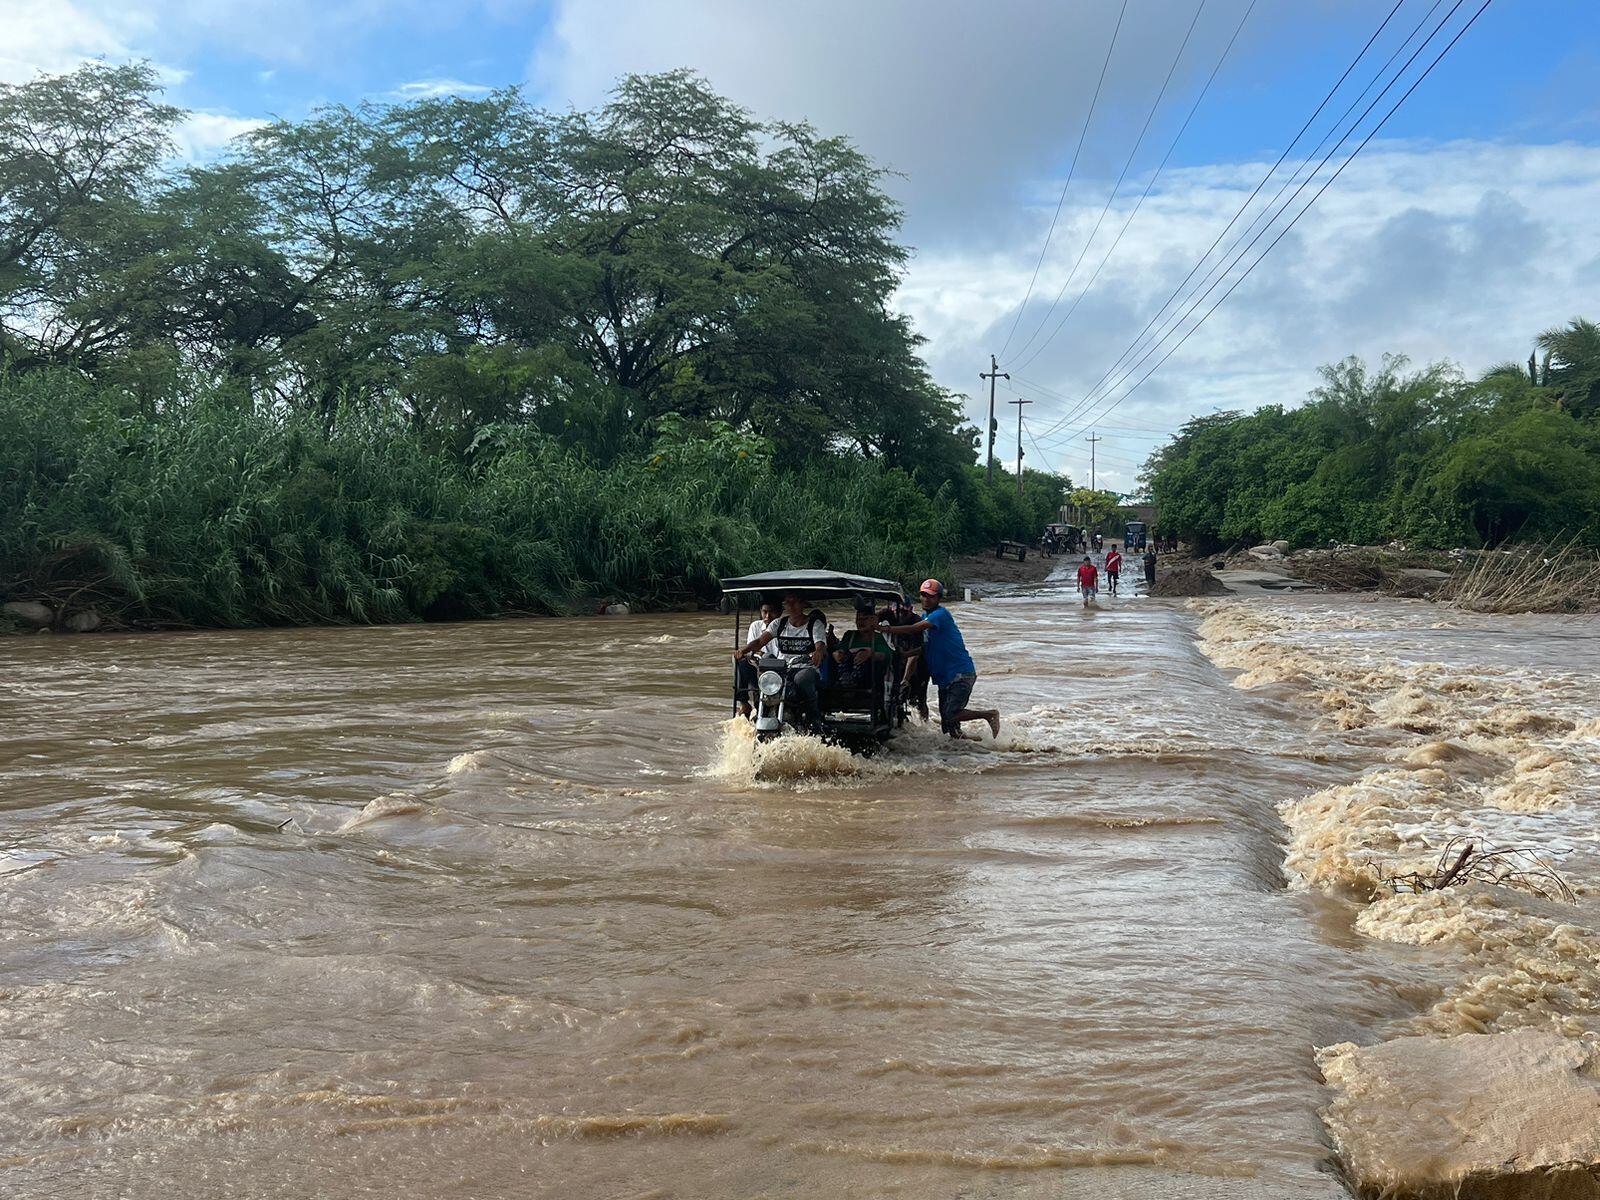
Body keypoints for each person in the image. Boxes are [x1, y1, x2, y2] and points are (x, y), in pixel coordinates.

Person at [875, 579, 999, 740]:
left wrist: (885, 629)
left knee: (950, 714)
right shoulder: (927, 615)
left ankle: (989, 714)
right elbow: (925, 648)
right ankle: (972, 749)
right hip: (944, 677)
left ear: (939, 598)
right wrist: (905, 654)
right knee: (948, 728)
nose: (926, 599)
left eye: (931, 596)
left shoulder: (940, 615)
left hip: (959, 673)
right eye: (923, 595)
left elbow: (914, 628)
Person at [734, 593, 827, 732]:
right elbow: (760, 641)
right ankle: (760, 713)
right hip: (783, 669)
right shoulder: (779, 624)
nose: (791, 606)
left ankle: (814, 718)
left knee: (802, 679)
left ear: (803, 604)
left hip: (805, 668)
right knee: (764, 676)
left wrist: (818, 652)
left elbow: (820, 644)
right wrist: (743, 650)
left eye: (794, 602)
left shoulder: (814, 624)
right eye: (787, 603)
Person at [880, 594, 930, 721]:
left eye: (904, 611)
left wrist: (905, 680)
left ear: (911, 609)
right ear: (892, 609)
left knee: (919, 699)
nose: (900, 614)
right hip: (896, 659)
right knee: (890, 694)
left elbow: (914, 656)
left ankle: (925, 725)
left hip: (919, 665)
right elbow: (870, 620)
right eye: (898, 611)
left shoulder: (916, 622)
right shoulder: (887, 613)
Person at [734, 600, 782, 716]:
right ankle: (744, 703)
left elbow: (780, 654)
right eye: (764, 612)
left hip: (778, 670)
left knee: (768, 656)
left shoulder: (783, 626)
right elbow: (754, 649)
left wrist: (762, 654)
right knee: (741, 662)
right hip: (758, 667)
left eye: (771, 612)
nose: (767, 616)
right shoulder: (756, 626)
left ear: (779, 613)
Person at [832, 604, 893, 689]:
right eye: (859, 619)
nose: (861, 622)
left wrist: (870, 655)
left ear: (873, 620)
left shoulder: (878, 637)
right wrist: (837, 654)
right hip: (845, 672)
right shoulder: (849, 635)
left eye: (865, 619)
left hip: (869, 677)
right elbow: (840, 649)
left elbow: (887, 655)